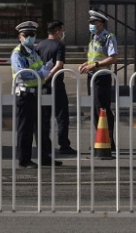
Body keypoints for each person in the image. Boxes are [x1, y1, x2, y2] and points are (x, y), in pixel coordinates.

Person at [10, 20, 61, 168]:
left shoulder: (34, 51)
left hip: (37, 92)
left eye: (32, 34)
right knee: (25, 128)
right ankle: (24, 160)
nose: (30, 38)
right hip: (25, 94)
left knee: (42, 128)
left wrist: (46, 68)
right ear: (20, 37)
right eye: (27, 35)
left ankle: (45, 157)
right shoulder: (18, 53)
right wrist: (41, 73)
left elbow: (38, 67)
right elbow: (22, 73)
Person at [78, 10, 119, 150]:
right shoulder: (93, 37)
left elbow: (113, 58)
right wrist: (86, 63)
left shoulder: (108, 37)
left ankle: (108, 140)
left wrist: (94, 65)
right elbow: (94, 56)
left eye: (93, 22)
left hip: (102, 77)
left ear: (101, 23)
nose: (91, 25)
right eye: (90, 22)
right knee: (95, 109)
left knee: (102, 108)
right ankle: (101, 138)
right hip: (92, 76)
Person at [36, 20, 75, 155]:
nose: (63, 33)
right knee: (61, 116)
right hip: (56, 85)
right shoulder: (59, 45)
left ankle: (44, 146)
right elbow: (58, 64)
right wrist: (50, 76)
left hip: (42, 85)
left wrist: (43, 78)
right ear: (57, 31)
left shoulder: (40, 45)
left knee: (44, 117)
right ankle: (64, 145)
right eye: (62, 31)